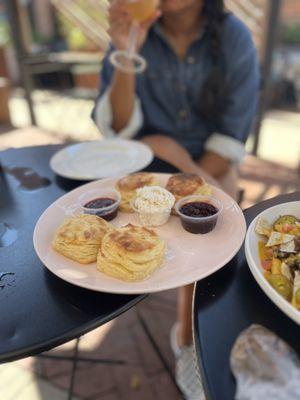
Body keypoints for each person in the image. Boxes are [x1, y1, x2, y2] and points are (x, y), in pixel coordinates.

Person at [93, 0, 260, 398]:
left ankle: (188, 333)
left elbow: (231, 138)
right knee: (166, 154)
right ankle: (195, 335)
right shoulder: (133, 30)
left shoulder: (234, 38)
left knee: (215, 223)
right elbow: (118, 130)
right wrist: (126, 51)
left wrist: (188, 185)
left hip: (212, 164)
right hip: (149, 164)